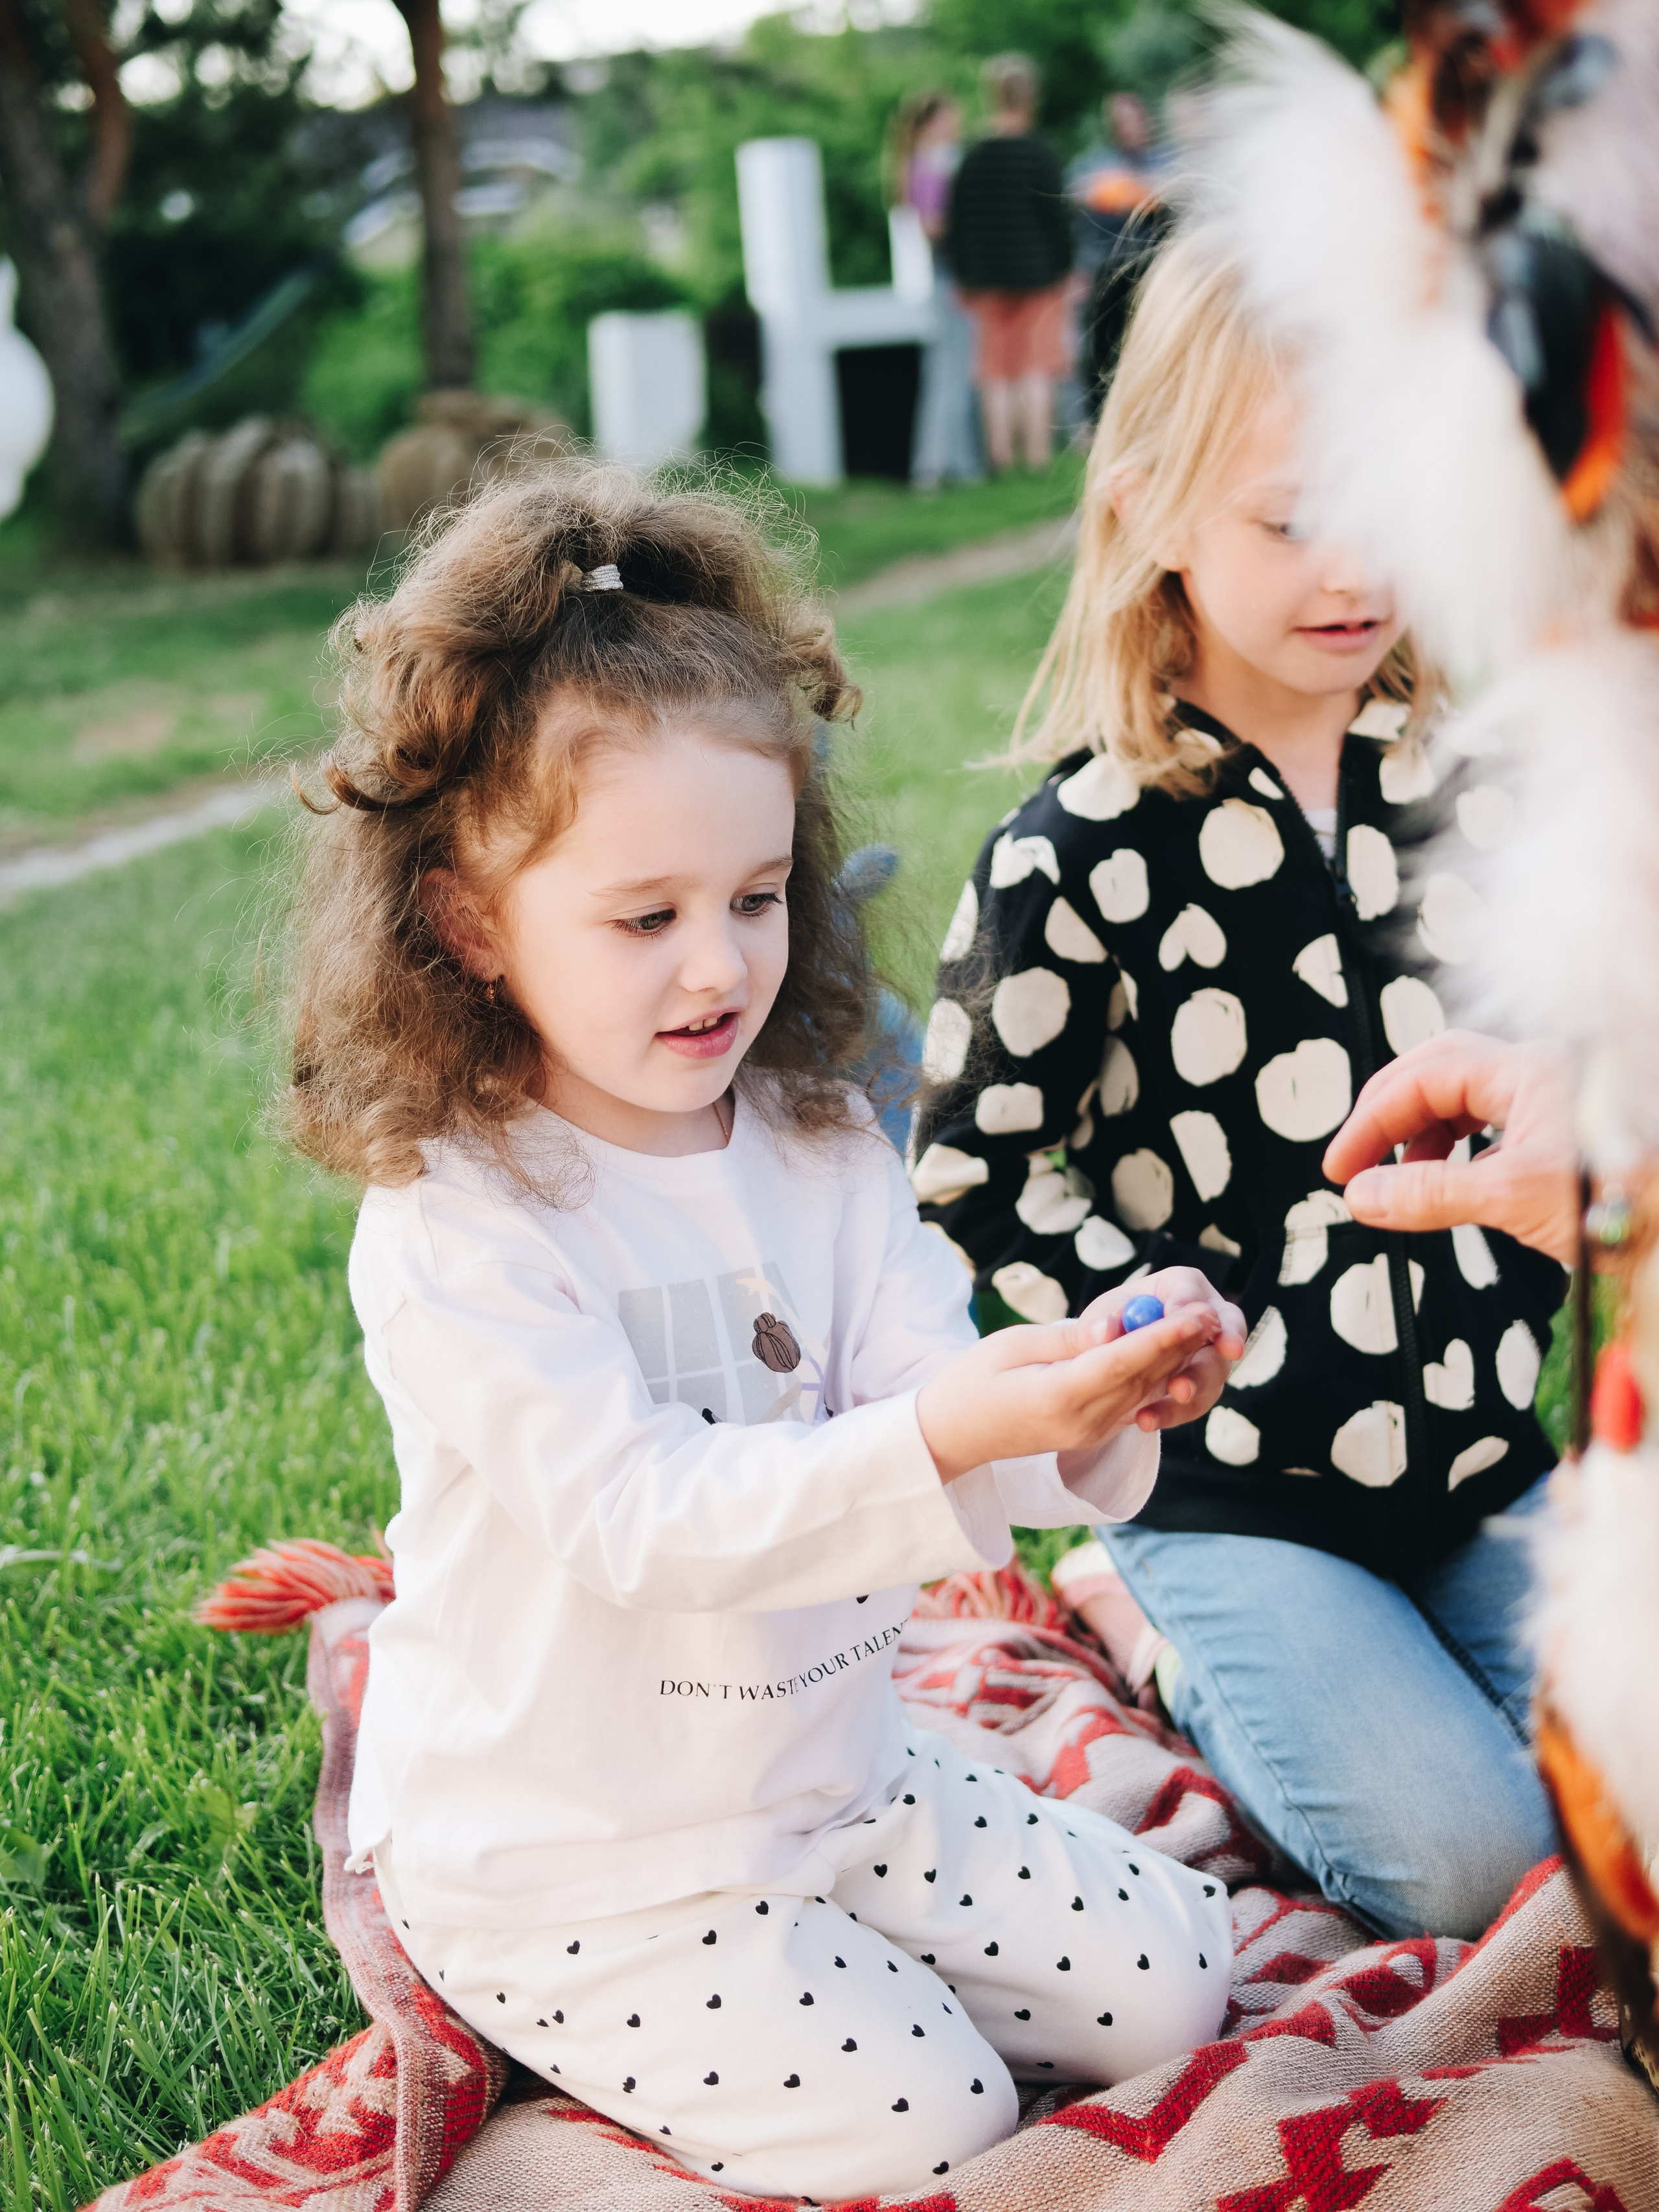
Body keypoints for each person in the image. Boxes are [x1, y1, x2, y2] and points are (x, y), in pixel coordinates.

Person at [281, 461, 1243, 2203]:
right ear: (471, 919)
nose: (716, 965)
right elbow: (645, 1518)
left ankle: (856, 1921)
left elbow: (927, 1400)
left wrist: (1095, 1393)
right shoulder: (463, 1218)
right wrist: (944, 1431)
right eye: (643, 917)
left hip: (829, 1771)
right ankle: (510, 2084)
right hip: (579, 1848)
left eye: (755, 893)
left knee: (1187, 1981)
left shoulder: (814, 1137)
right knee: (939, 2125)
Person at [911, 232, 1569, 1944]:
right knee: (1469, 1862)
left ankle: (1380, 1647)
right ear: (1148, 514)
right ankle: (1158, 1635)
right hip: (1238, 1486)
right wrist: (1144, 1330)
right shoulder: (1079, 854)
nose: (1354, 567)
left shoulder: (1481, 800)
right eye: (1290, 517)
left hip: (1488, 1454)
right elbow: (976, 1165)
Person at [946, 54, 1074, 473]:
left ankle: (1001, 458)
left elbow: (958, 221)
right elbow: (1058, 218)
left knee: (996, 372)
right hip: (1038, 275)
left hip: (985, 279)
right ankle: (1036, 456)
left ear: (993, 97)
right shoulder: (1041, 153)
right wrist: (1066, 267)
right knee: (1036, 365)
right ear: (1030, 98)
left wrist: (963, 275)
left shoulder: (974, 154)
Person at [889, 90, 983, 489]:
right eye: (948, 119)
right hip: (948, 279)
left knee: (952, 373)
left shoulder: (920, 166)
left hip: (943, 279)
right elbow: (930, 226)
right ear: (931, 123)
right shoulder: (929, 168)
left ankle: (959, 466)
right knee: (951, 374)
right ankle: (936, 467)